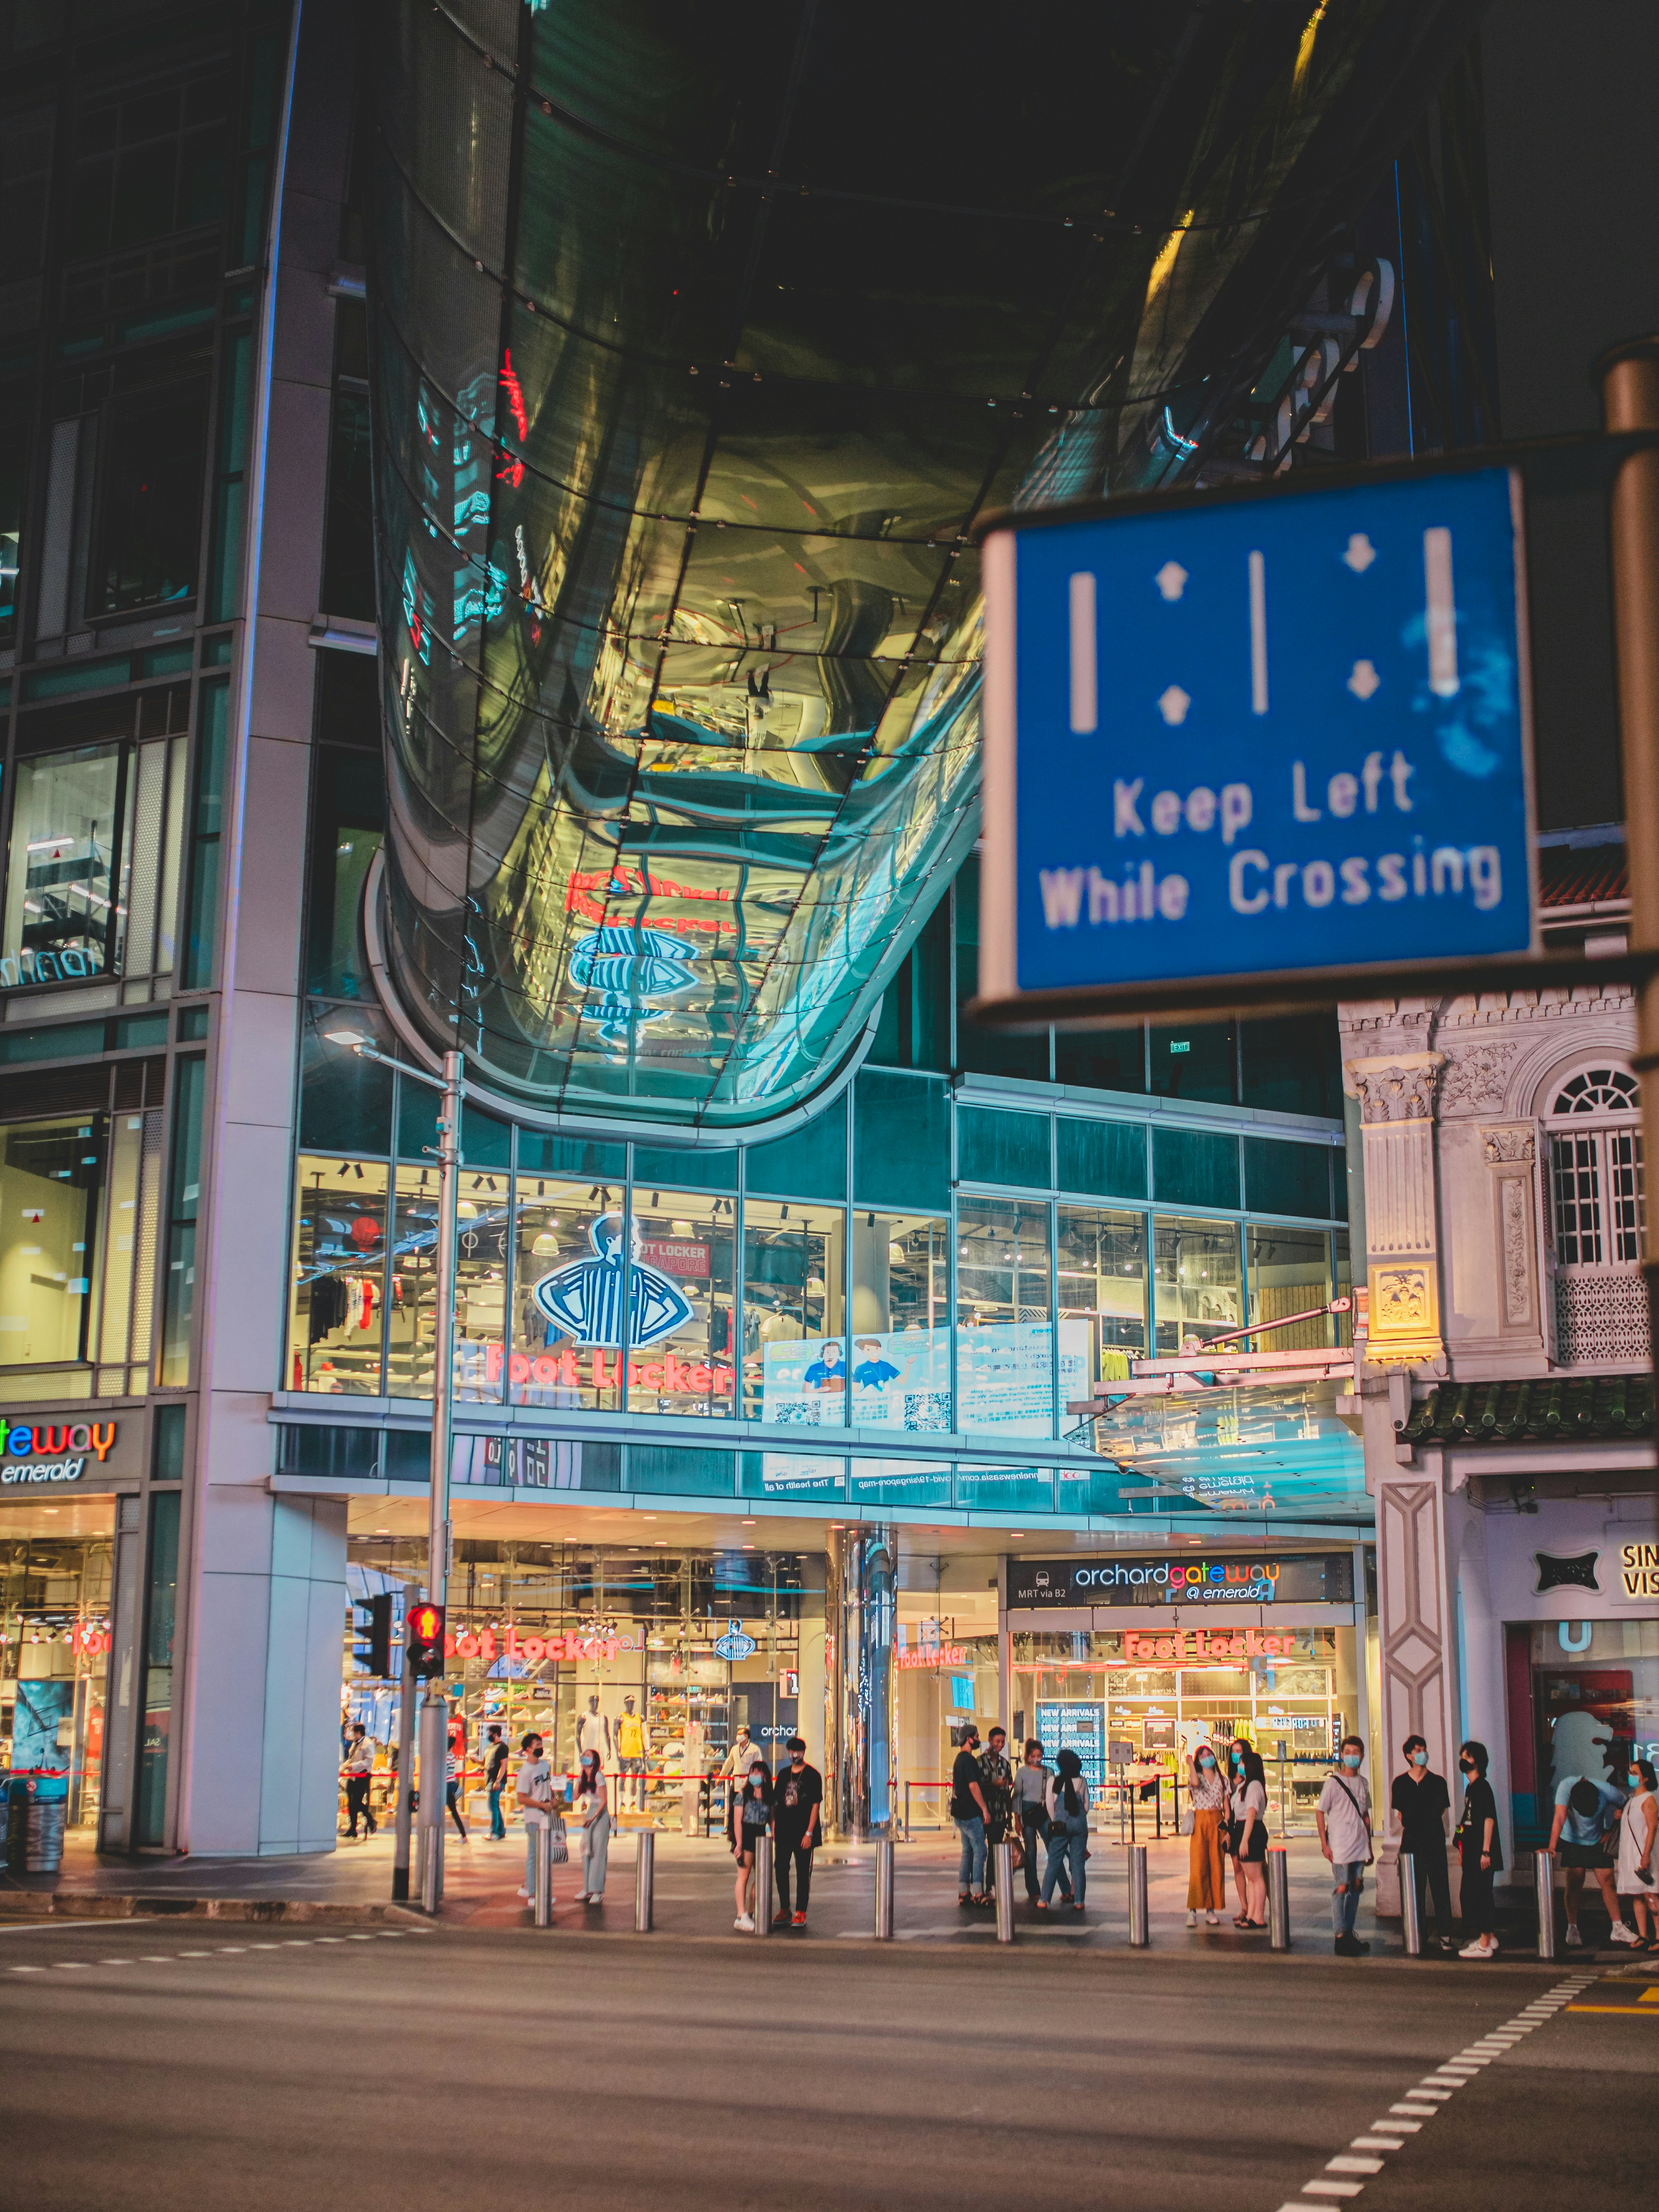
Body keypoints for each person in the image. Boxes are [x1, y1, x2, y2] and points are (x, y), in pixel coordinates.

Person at [1546, 1766, 1625, 1947]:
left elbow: (1628, 1805)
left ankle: (1618, 1927)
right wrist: (1552, 1847)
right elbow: (1559, 1816)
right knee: (1574, 1883)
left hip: (1598, 1839)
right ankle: (1572, 1929)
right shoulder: (1566, 1787)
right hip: (1572, 1840)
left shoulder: (1607, 1791)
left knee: (1608, 1882)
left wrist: (1611, 1832)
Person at [1390, 1734, 1454, 1953]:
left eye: (1423, 1749)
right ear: (1409, 1755)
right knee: (1414, 1890)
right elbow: (1400, 1815)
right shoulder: (1400, 1783)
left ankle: (1446, 1933)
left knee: (1440, 1888)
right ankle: (1420, 1933)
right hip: (1411, 1843)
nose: (1421, 1753)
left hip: (1434, 1840)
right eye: (1417, 1750)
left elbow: (1442, 1810)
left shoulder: (1438, 1782)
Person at [1316, 1735, 1373, 1956]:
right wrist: (1324, 1843)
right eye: (1348, 1752)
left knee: (1357, 1886)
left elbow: (1365, 1814)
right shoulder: (1333, 1783)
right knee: (1341, 1887)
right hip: (1340, 1844)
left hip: (1359, 1843)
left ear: (1362, 1756)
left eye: (1356, 1752)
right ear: (1342, 1755)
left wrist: (1369, 1844)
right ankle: (1340, 1936)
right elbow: (1320, 1812)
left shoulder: (1364, 1782)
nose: (1352, 1756)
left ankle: (1349, 1933)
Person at [1456, 1739, 1502, 1958]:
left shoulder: (1482, 1787)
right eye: (1463, 1756)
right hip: (1472, 1851)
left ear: (1479, 1761)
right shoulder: (1472, 1788)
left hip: (1481, 1853)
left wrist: (1486, 1852)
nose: (1464, 1760)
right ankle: (1489, 1937)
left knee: (1479, 1894)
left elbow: (1489, 1820)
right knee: (1474, 1893)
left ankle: (1484, 1943)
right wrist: (1462, 1849)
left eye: (1469, 1756)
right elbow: (1468, 1821)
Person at [771, 1735, 822, 1927]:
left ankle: (801, 1911)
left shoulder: (813, 1775)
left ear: (804, 1752)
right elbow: (776, 1802)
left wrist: (809, 1833)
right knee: (781, 1868)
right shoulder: (784, 1774)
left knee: (803, 1872)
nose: (795, 1755)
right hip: (784, 1831)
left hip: (803, 1833)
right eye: (792, 1752)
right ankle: (785, 1908)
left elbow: (816, 1806)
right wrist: (774, 1825)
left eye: (798, 1752)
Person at [1014, 1740, 1069, 1904]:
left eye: (1040, 1756)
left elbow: (1055, 1796)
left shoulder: (1049, 1772)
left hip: (1044, 1811)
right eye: (1034, 1756)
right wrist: (1017, 1820)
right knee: (1030, 1852)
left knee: (1054, 1850)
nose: (1037, 1759)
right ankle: (1034, 1890)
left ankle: (1066, 1889)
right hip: (1027, 1812)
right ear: (1028, 1756)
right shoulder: (1022, 1773)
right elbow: (1017, 1797)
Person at [1039, 1746, 1089, 1911]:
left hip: (1061, 1826)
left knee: (1054, 1862)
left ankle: (1044, 1900)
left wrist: (1057, 1820)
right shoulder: (1082, 1781)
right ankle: (1079, 1901)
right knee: (1078, 1864)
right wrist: (1078, 1820)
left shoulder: (1054, 1781)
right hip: (1080, 1826)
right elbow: (1087, 1805)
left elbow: (1049, 1806)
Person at [1615, 1758, 1658, 1950]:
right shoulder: (1632, 1800)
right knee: (1637, 1895)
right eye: (1631, 1772)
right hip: (1631, 1856)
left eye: (1635, 1773)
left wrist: (1647, 1855)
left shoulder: (1649, 1800)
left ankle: (1658, 1936)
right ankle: (1643, 1935)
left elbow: (1652, 1828)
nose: (1631, 1776)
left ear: (1646, 1778)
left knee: (1651, 1896)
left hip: (1644, 1855)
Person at [1184, 1741, 1227, 1926]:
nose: (1207, 1758)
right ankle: (1193, 1910)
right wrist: (1191, 1765)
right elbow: (1194, 1783)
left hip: (1218, 1821)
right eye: (1202, 1756)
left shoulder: (1222, 1778)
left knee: (1217, 1865)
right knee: (1199, 1865)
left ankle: (1211, 1909)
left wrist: (1227, 1822)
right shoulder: (1197, 1777)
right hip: (1200, 1821)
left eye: (1209, 1755)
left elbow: (1226, 1802)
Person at [1229, 1740, 1269, 1928]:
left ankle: (1258, 1915)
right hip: (1244, 1829)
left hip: (1251, 1831)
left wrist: (1245, 1839)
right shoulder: (1246, 1785)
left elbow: (1252, 1812)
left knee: (1256, 1877)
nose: (1240, 1765)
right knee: (1252, 1878)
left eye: (1243, 1762)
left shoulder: (1253, 1786)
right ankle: (1252, 1914)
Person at [729, 1757, 773, 1930]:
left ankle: (751, 1912)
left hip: (761, 1836)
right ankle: (741, 1915)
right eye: (753, 1772)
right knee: (744, 1876)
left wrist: (774, 1835)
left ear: (765, 1776)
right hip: (746, 1836)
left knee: (762, 1876)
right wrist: (738, 1844)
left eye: (758, 1772)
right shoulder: (743, 1796)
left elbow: (772, 1818)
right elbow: (737, 1822)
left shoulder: (770, 1796)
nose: (755, 1775)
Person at [951, 1725, 991, 1907]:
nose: (978, 1739)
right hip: (970, 1812)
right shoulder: (968, 1760)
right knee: (980, 1851)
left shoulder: (959, 1759)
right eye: (977, 1736)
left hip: (960, 1812)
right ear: (969, 1738)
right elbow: (973, 1786)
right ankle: (978, 1892)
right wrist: (984, 1809)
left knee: (967, 1852)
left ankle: (963, 1892)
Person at [514, 1730, 555, 1900]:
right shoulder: (525, 1772)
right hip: (534, 1818)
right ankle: (532, 1892)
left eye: (541, 1744)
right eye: (537, 1745)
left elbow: (548, 1785)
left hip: (547, 1816)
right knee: (534, 1855)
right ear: (528, 1749)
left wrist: (553, 1800)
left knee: (545, 1855)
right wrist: (542, 1805)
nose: (541, 1747)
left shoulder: (545, 1765)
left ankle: (535, 1888)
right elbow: (521, 1798)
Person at [574, 1745, 610, 1904]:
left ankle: (597, 1890)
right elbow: (575, 1797)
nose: (585, 1757)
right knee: (586, 1849)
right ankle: (587, 1888)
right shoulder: (583, 1777)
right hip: (591, 1812)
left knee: (598, 1850)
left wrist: (593, 1818)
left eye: (588, 1756)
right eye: (584, 1755)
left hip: (600, 1813)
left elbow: (604, 1801)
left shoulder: (599, 1777)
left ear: (594, 1760)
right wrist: (578, 1780)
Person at [980, 1726, 1015, 1861]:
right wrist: (994, 1784)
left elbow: (1008, 1792)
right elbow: (976, 1787)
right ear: (990, 1741)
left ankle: (992, 1881)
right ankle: (977, 1880)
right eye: (997, 1741)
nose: (1000, 1745)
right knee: (979, 1850)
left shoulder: (1005, 1764)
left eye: (1003, 1742)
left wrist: (1009, 1816)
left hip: (1000, 1814)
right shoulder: (979, 1762)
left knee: (995, 1851)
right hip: (983, 1813)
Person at [341, 1722, 377, 1840]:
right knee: (351, 1804)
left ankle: (371, 1820)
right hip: (352, 1776)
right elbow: (351, 1757)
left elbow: (368, 1762)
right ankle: (352, 1829)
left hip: (362, 1776)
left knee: (356, 1802)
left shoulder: (367, 1744)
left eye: (354, 1733)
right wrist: (346, 1767)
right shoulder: (355, 1743)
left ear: (359, 1733)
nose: (353, 1735)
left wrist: (354, 1766)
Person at [616, 1694, 647, 1812]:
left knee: (635, 1780)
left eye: (633, 1702)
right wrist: (618, 1751)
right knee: (623, 1779)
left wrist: (647, 1749)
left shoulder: (640, 1718)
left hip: (637, 1752)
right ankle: (622, 1803)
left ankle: (633, 1803)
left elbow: (644, 1734)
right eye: (629, 1702)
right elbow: (616, 1736)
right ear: (625, 1704)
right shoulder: (620, 1718)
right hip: (625, 1752)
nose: (631, 1704)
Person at [484, 1724, 509, 1841]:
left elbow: (504, 1765)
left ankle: (494, 1832)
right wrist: (477, 1762)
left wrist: (498, 1781)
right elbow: (487, 1763)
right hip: (490, 1780)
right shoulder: (490, 1747)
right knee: (495, 1806)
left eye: (489, 1733)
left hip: (496, 1781)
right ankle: (501, 1831)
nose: (488, 1735)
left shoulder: (502, 1747)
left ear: (495, 1734)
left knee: (493, 1806)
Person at [445, 1740, 469, 1842]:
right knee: (454, 1812)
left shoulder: (447, 1756)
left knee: (453, 1812)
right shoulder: (452, 1756)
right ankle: (464, 1836)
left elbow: (443, 1770)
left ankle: (464, 1836)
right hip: (451, 1785)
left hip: (446, 1785)